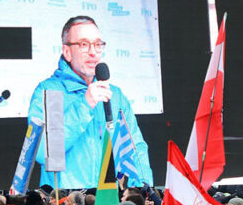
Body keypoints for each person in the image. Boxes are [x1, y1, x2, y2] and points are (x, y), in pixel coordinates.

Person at [24, 16, 152, 189]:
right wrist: (85, 104)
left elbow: (135, 147)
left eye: (98, 44)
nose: (93, 52)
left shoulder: (115, 95)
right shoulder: (48, 91)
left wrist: (145, 188)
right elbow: (42, 153)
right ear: (67, 51)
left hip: (108, 200)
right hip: (67, 201)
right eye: (84, 44)